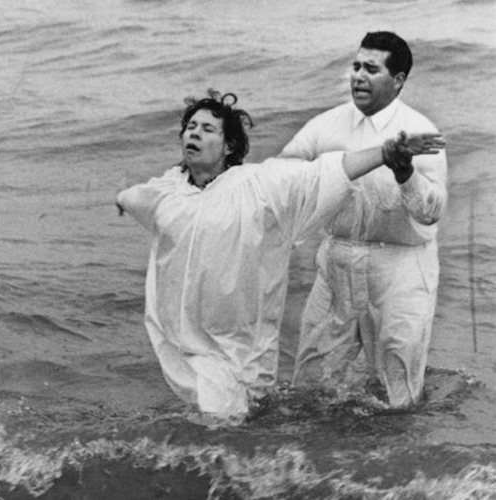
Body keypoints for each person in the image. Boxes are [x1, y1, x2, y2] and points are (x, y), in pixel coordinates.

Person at [116, 89, 445, 419]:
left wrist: (385, 152)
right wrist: (121, 199)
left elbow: (325, 172)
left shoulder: (258, 184)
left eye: (207, 129)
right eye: (190, 126)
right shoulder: (170, 190)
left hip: (240, 342)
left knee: (222, 422)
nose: (194, 133)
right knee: (219, 422)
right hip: (185, 339)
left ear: (229, 145)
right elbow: (136, 199)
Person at [281, 32, 448, 407]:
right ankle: (314, 460)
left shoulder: (420, 133)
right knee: (309, 385)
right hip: (336, 263)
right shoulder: (325, 126)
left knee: (400, 390)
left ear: (398, 80)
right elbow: (282, 176)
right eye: (356, 66)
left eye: (371, 69)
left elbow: (432, 211)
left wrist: (405, 171)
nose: (358, 76)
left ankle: (401, 461)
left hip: (401, 268)